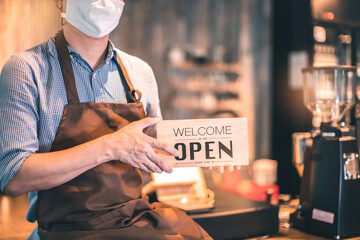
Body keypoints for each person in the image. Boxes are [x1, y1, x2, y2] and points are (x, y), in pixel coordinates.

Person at [0, 0, 213, 239]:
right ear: (60, 2)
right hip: (65, 229)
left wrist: (208, 151)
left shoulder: (140, 72)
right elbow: (13, 177)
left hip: (132, 221)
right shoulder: (26, 69)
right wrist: (111, 147)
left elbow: (157, 153)